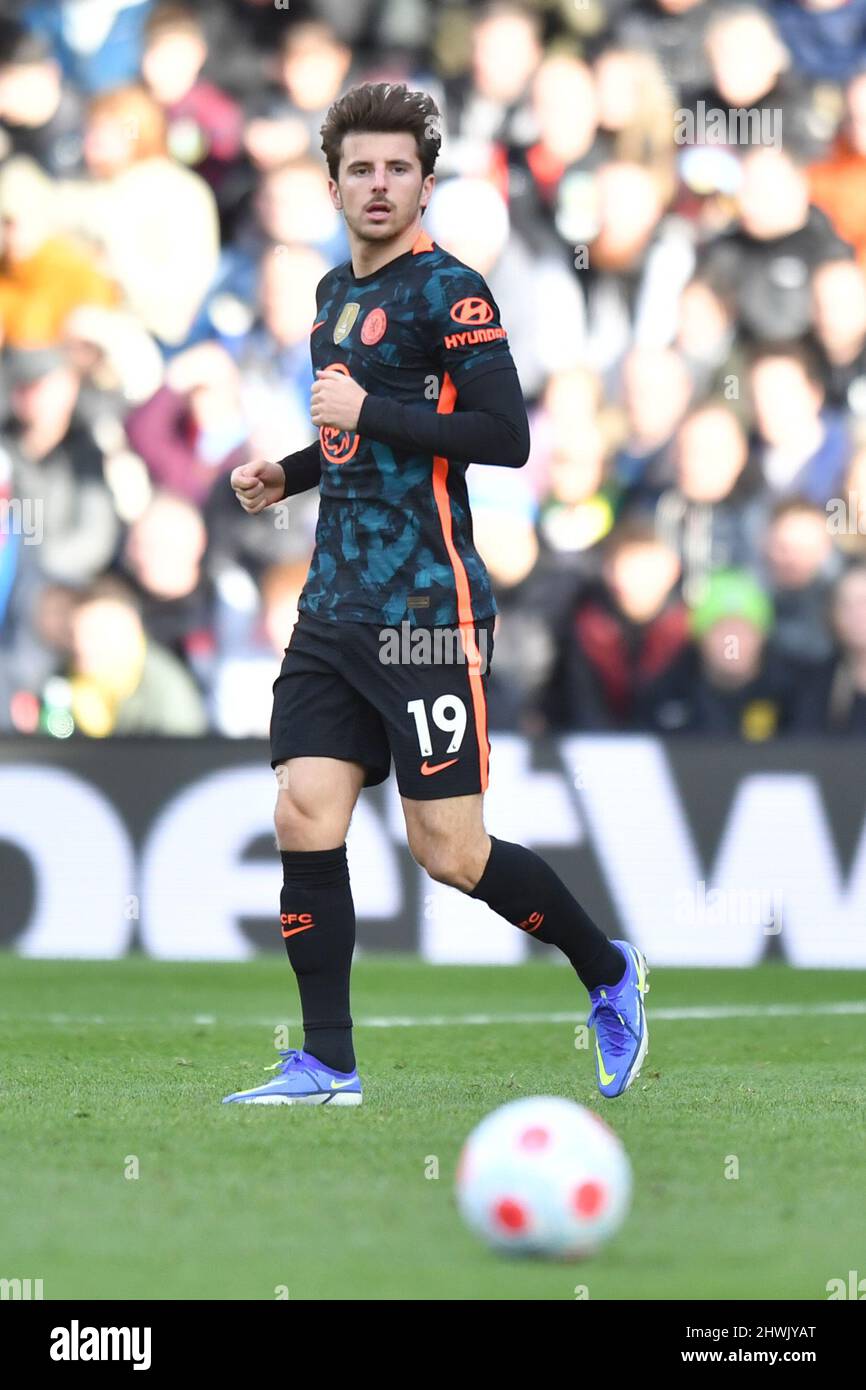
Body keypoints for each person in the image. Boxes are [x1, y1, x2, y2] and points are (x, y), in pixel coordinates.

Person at [225, 82, 649, 1108]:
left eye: (397, 168)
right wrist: (292, 468)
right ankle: (327, 1063)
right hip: (331, 605)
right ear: (331, 184)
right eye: (359, 169)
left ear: (424, 180)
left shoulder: (450, 294)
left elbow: (504, 438)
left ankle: (607, 969)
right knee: (302, 809)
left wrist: (368, 407)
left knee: (449, 853)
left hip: (426, 614)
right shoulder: (331, 294)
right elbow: (354, 439)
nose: (378, 184)